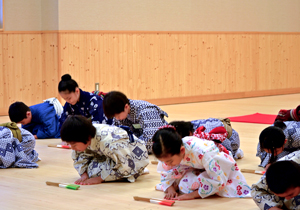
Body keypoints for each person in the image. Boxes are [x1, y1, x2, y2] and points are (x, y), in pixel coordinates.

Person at [152, 125, 251, 200]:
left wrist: (193, 195)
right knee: (182, 185)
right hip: (197, 166)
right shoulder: (173, 151)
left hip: (219, 167)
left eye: (169, 161)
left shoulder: (204, 152)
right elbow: (166, 170)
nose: (167, 164)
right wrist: (170, 188)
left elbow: (219, 180)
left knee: (187, 187)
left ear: (182, 150)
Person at [60, 115, 149, 185]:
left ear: (87, 138)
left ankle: (138, 170)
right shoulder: (84, 134)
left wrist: (100, 178)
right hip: (109, 154)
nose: (72, 148)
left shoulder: (110, 142)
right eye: (70, 144)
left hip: (132, 156)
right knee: (89, 172)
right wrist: (84, 174)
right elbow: (79, 156)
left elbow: (126, 164)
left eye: (74, 145)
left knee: (95, 173)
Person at [103, 91, 168, 153]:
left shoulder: (146, 111)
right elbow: (116, 134)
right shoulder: (121, 111)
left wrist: (127, 148)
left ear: (126, 107)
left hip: (163, 145)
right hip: (138, 143)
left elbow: (151, 140)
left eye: (118, 116)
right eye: (114, 116)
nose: (117, 119)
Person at [169, 118, 244, 159]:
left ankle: (236, 152)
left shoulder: (206, 133)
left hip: (231, 140)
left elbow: (226, 144)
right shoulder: (188, 127)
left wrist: (230, 154)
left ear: (188, 134)